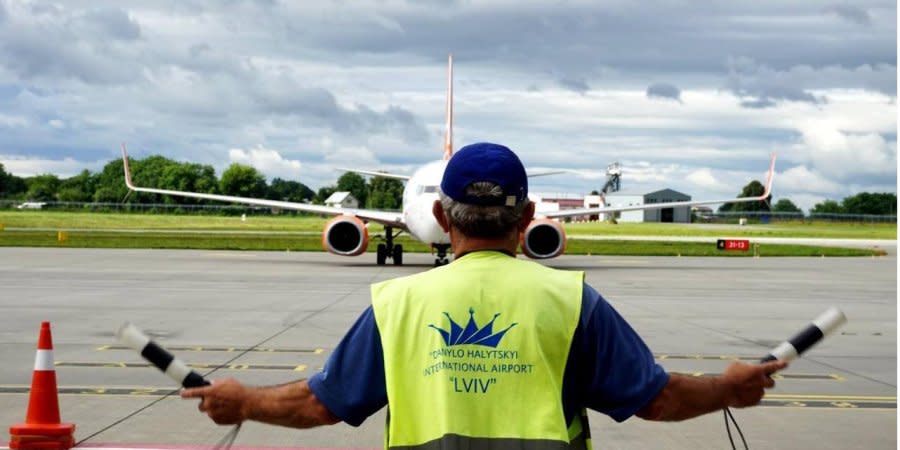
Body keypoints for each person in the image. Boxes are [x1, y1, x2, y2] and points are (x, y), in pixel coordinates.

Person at [182, 142, 787, 448]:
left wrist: (244, 400)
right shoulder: (576, 302)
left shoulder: (397, 305)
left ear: (443, 217)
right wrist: (727, 390)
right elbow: (657, 400)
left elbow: (321, 404)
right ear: (526, 216)